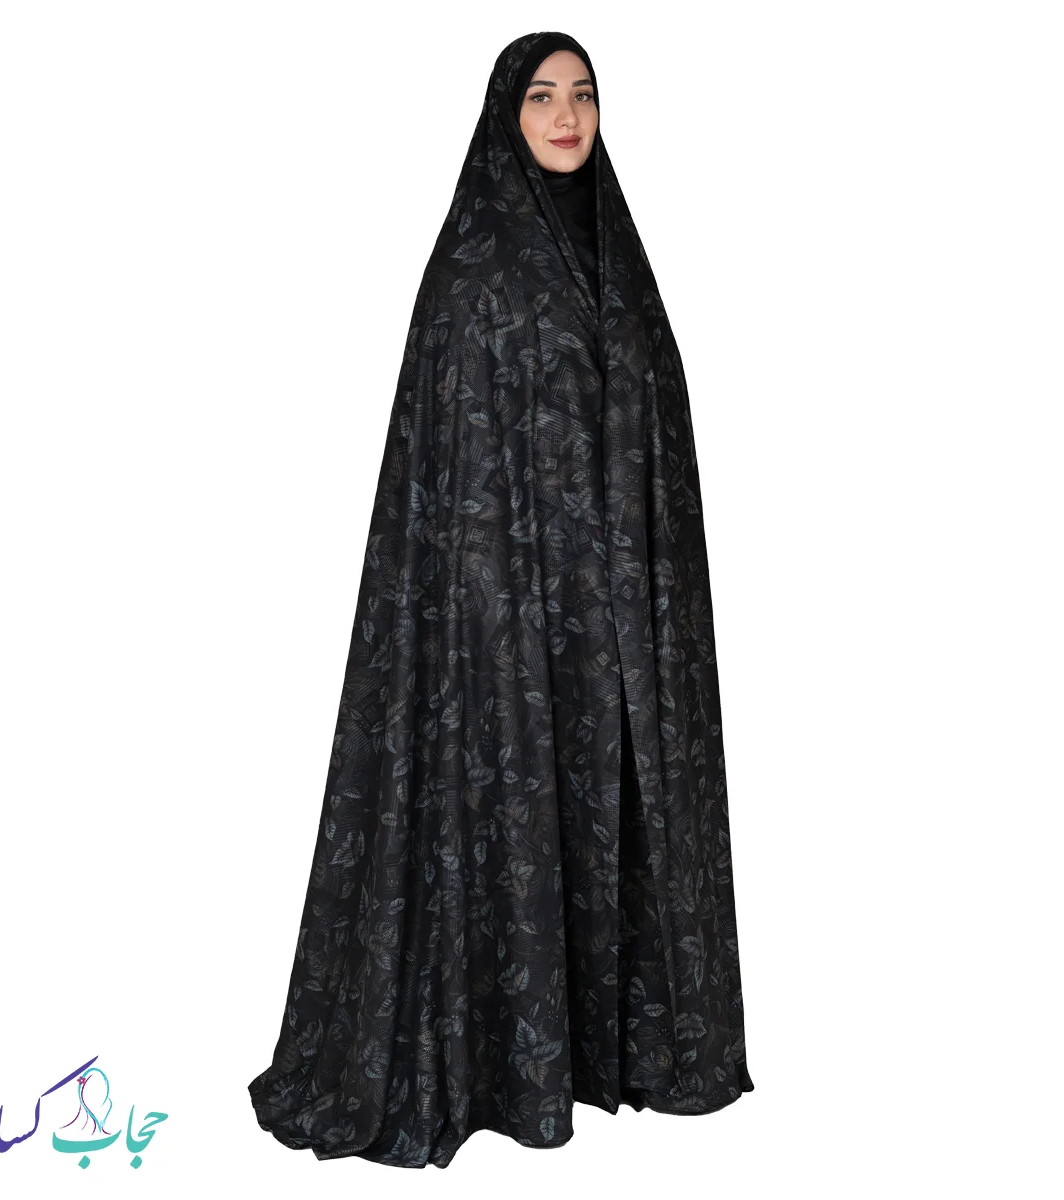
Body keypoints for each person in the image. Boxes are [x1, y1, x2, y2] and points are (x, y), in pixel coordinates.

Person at [248, 30, 754, 1169]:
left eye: (584, 95)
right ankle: (498, 1068)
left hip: (623, 622)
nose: (567, 116)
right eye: (542, 96)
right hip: (503, 620)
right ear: (504, 117)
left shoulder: (622, 263)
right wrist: (500, 603)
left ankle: (621, 1049)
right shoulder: (471, 279)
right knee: (512, 817)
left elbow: (659, 445)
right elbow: (447, 479)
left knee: (622, 806)